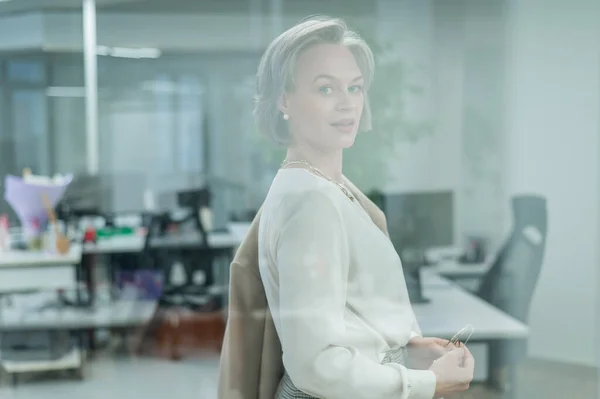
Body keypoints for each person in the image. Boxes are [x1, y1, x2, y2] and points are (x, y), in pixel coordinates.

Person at [252, 15, 475, 399]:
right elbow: (316, 364)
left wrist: (405, 350)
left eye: (354, 88)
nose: (346, 104)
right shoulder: (311, 201)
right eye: (325, 89)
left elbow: (346, 319)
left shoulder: (323, 187)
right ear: (284, 99)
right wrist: (429, 384)